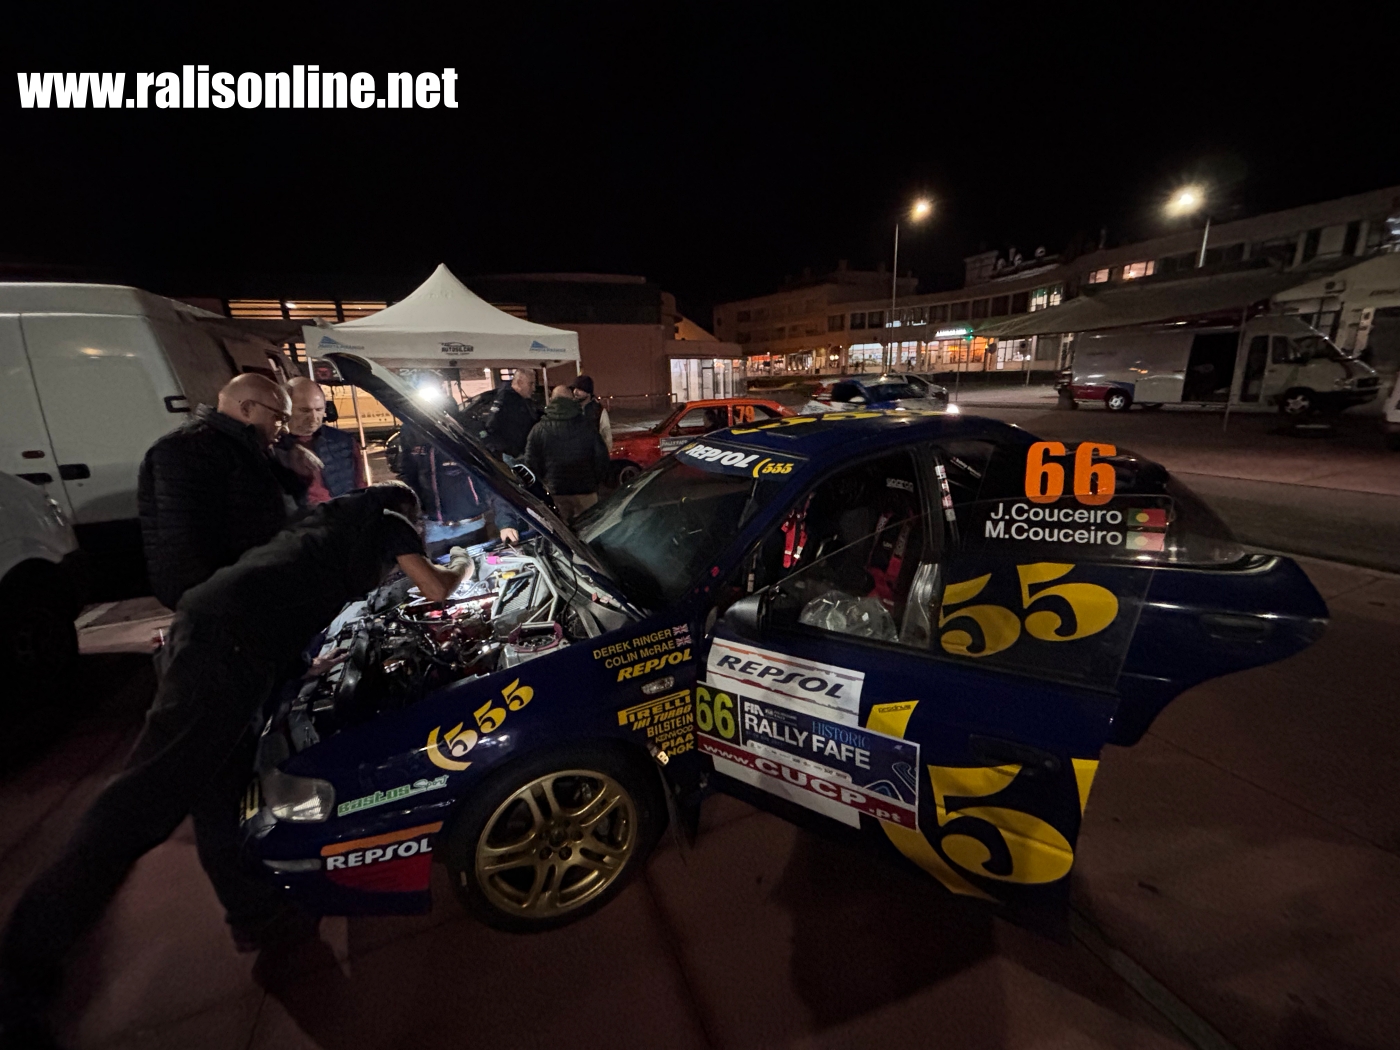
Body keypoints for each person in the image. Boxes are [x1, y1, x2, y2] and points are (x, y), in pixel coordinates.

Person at [0, 483, 473, 1047]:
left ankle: (255, 915)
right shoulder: (390, 518)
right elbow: (434, 587)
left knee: (220, 788)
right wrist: (461, 565)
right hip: (223, 654)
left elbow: (284, 589)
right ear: (408, 512)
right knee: (138, 808)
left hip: (216, 637)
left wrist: (295, 659)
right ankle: (18, 973)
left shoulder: (328, 523)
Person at [136, 373, 309, 610]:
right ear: (247, 408)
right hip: (223, 595)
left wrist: (297, 476)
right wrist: (211, 600)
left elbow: (273, 508)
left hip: (250, 584)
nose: (286, 429)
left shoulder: (248, 446)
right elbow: (183, 542)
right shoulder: (187, 451)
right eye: (280, 418)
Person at [523, 385, 610, 523]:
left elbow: (531, 463)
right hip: (585, 491)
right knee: (590, 528)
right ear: (571, 400)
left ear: (552, 400)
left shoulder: (539, 429)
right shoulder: (587, 426)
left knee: (562, 531)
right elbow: (601, 457)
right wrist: (595, 481)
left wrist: (545, 482)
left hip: (556, 494)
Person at [279, 376, 367, 504]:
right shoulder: (273, 445)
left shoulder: (344, 441)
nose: (313, 417)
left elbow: (360, 484)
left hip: (343, 511)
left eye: (319, 409)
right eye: (305, 410)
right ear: (286, 408)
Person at [479, 368, 541, 461]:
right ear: (519, 383)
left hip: (521, 452)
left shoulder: (522, 399)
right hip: (514, 455)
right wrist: (511, 451)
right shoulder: (506, 399)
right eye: (530, 384)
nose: (534, 388)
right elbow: (492, 426)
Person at [570, 374, 612, 452]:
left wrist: (605, 454)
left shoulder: (599, 411)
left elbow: (606, 435)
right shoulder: (570, 408)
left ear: (588, 392)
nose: (575, 392)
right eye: (574, 388)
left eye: (580, 389)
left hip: (592, 455)